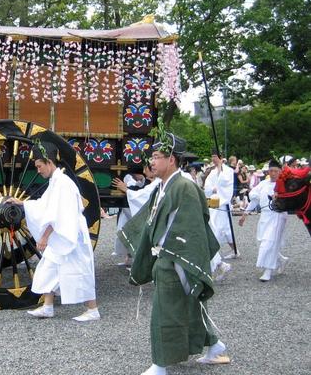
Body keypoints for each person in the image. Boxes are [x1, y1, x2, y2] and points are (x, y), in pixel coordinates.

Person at [119, 131, 229, 375]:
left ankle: (160, 365)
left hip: (176, 257)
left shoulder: (184, 187)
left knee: (163, 312)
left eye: (157, 157)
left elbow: (191, 229)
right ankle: (213, 345)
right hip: (166, 256)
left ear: (172, 159)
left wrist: (183, 264)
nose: (152, 162)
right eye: (152, 157)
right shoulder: (162, 187)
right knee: (190, 305)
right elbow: (148, 223)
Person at [6, 141, 99, 322]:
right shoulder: (56, 181)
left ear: (49, 162)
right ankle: (48, 307)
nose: (38, 170)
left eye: (40, 166)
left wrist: (44, 237)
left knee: (79, 270)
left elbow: (57, 215)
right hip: (62, 232)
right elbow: (44, 205)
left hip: (69, 234)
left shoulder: (62, 183)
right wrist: (22, 203)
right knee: (48, 267)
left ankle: (93, 309)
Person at [238, 158, 288, 282]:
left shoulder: (284, 185)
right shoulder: (263, 184)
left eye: (276, 171)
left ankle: (268, 270)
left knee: (269, 243)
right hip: (265, 217)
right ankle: (281, 259)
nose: (273, 173)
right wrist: (245, 214)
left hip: (278, 216)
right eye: (271, 171)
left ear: (280, 172)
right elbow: (254, 200)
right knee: (262, 241)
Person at [204, 149, 237, 278]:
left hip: (222, 204)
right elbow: (207, 187)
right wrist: (212, 189)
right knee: (213, 230)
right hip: (212, 203)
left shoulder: (227, 171)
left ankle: (220, 260)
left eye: (215, 157)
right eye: (212, 157)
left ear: (221, 157)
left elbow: (226, 185)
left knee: (220, 231)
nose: (213, 159)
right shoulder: (212, 172)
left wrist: (220, 170)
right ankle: (219, 262)